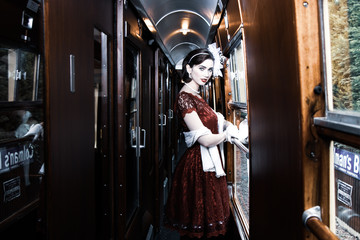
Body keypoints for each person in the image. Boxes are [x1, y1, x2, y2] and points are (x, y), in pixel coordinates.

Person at [165, 47, 241, 239]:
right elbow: (205, 140)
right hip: (198, 166)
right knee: (200, 226)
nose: (206, 74)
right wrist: (228, 134)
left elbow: (209, 121)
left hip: (207, 163)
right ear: (189, 69)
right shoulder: (185, 98)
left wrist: (224, 123)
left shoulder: (197, 95)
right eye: (201, 68)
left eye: (209, 69)